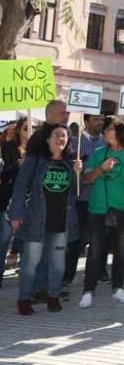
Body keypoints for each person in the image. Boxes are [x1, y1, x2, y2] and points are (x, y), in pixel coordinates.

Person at [9, 124, 81, 314]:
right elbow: (20, 186)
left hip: (60, 221)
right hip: (36, 221)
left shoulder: (69, 163)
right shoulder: (35, 161)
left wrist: (76, 174)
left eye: (64, 136)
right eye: (57, 135)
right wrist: (16, 214)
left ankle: (53, 296)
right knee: (30, 263)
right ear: (47, 139)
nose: (61, 139)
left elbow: (74, 193)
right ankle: (24, 299)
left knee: (58, 263)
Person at [80, 118, 124, 308]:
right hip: (98, 208)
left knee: (121, 251)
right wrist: (101, 169)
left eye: (109, 129)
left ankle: (118, 288)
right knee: (96, 252)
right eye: (105, 129)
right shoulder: (99, 153)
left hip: (123, 209)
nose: (104, 132)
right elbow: (87, 179)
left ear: (120, 132)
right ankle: (88, 290)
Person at [63, 113, 103, 293]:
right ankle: (68, 274)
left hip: (100, 198)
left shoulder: (107, 143)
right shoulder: (74, 142)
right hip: (79, 199)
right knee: (75, 240)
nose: (100, 122)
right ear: (86, 122)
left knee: (98, 239)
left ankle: (98, 272)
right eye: (96, 119)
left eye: (102, 119)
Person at [0, 117, 31, 286]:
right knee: (4, 239)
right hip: (10, 199)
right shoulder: (7, 148)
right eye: (26, 128)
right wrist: (17, 165)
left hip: (31, 200)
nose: (30, 131)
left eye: (33, 127)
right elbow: (3, 173)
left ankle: (27, 276)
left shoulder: (38, 149)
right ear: (19, 130)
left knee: (27, 239)